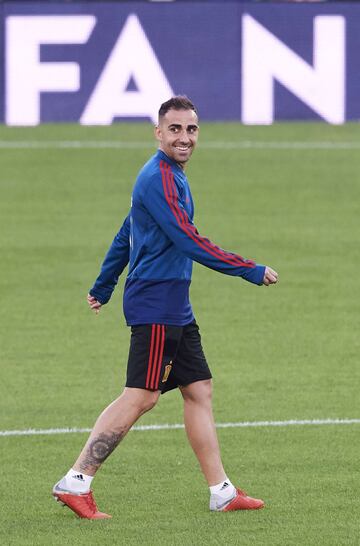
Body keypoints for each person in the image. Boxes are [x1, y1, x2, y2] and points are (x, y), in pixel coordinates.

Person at [52, 96, 278, 519]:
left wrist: (103, 284)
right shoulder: (158, 177)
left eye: (191, 129)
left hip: (174, 303)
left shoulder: (170, 175)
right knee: (142, 395)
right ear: (158, 133)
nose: (184, 137)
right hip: (157, 302)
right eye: (175, 129)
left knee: (199, 390)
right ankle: (76, 480)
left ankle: (221, 492)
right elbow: (189, 240)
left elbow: (126, 232)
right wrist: (249, 269)